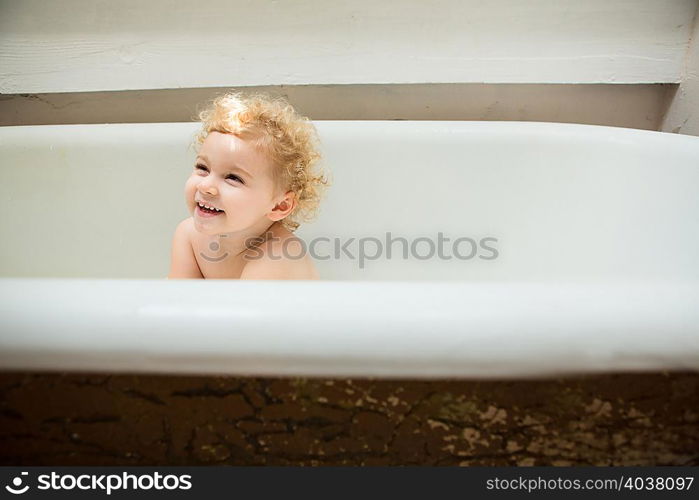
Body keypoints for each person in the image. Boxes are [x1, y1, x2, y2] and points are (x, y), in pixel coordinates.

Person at [168, 91, 328, 279]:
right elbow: (179, 302)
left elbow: (241, 309)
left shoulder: (278, 256)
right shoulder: (189, 236)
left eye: (233, 178)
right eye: (203, 167)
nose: (205, 186)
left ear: (279, 205)